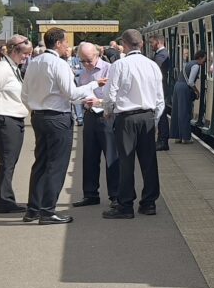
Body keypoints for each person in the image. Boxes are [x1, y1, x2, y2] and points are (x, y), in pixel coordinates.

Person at [20, 28, 106, 224]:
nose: (68, 46)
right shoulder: (58, 64)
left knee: (40, 163)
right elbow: (71, 93)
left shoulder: (34, 63)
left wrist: (35, 107)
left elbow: (24, 94)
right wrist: (95, 85)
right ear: (58, 43)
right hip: (57, 118)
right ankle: (48, 211)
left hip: (38, 116)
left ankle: (33, 209)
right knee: (56, 165)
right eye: (65, 42)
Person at [99, 29, 165, 220]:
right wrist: (155, 120)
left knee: (126, 162)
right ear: (142, 44)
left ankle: (125, 205)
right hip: (148, 117)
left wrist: (108, 112)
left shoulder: (119, 65)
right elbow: (160, 98)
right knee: (149, 162)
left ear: (124, 45)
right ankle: (149, 203)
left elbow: (110, 94)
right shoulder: (152, 65)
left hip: (126, 118)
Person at [0, 36, 33, 213]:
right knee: (7, 161)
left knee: (9, 161)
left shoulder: (12, 68)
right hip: (4, 118)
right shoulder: (3, 69)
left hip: (10, 118)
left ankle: (5, 199)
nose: (27, 57)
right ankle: (4, 202)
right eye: (25, 53)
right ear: (14, 50)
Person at [72, 42, 119, 209]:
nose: (86, 64)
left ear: (97, 55)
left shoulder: (109, 69)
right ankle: (90, 194)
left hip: (107, 115)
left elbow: (117, 94)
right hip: (89, 115)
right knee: (89, 156)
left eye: (88, 60)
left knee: (111, 156)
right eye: (82, 60)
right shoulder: (83, 72)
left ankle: (116, 195)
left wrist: (99, 101)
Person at [170, 50, 206, 144]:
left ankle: (178, 136)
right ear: (200, 58)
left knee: (177, 112)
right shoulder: (196, 66)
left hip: (178, 86)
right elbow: (190, 82)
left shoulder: (189, 63)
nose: (205, 61)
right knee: (185, 112)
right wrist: (196, 91)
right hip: (184, 88)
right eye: (204, 59)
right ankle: (186, 137)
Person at [151, 35, 172, 151]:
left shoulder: (162, 55)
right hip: (160, 88)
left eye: (152, 43)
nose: (151, 45)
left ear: (158, 42)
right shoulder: (160, 54)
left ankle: (163, 141)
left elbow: (155, 71)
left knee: (161, 115)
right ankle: (161, 140)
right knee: (160, 114)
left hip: (160, 89)